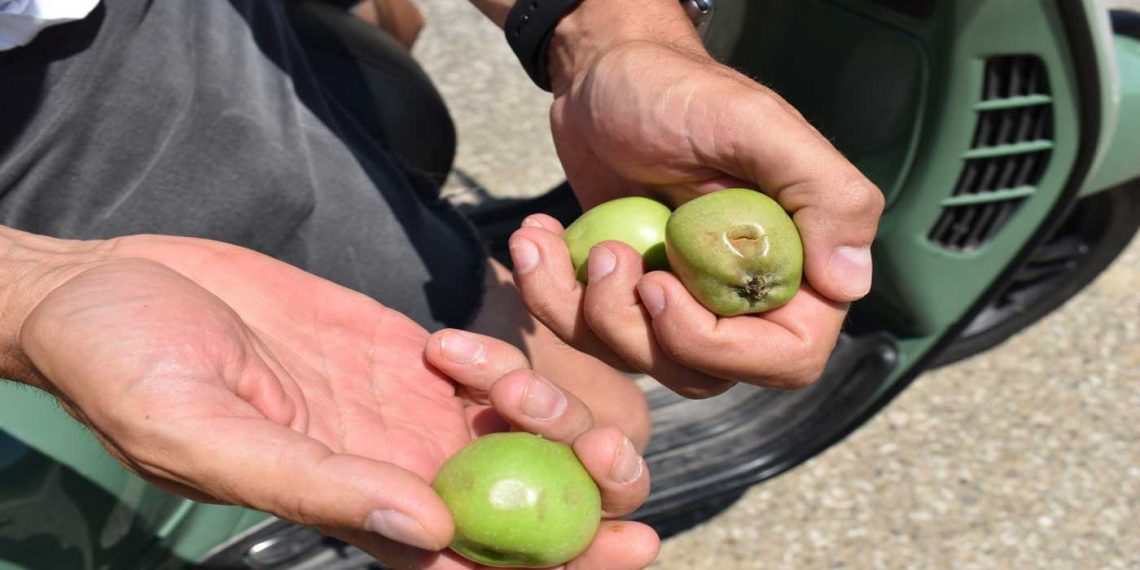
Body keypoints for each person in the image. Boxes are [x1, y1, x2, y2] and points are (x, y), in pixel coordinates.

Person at [0, 0, 883, 568]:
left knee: (600, 415)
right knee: (585, 418)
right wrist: (34, 290)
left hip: (131, 31)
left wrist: (605, 33)